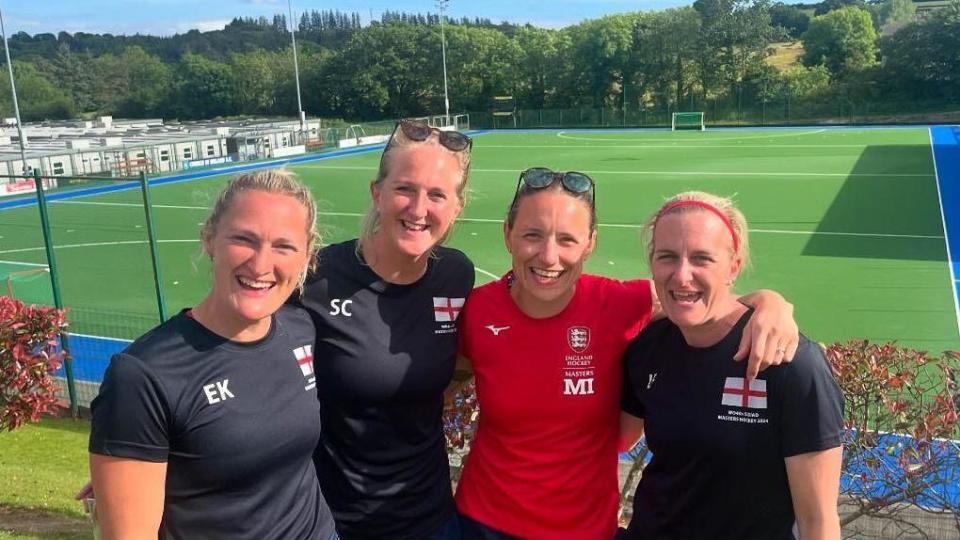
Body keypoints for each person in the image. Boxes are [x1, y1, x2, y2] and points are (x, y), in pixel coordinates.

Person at [453, 168, 801, 539]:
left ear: (590, 244)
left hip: (585, 531)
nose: (549, 255)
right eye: (532, 235)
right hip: (482, 523)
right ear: (507, 235)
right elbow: (442, 384)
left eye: (568, 239)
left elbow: (697, 297)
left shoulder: (621, 303)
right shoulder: (477, 311)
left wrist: (769, 302)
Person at [88, 170, 337, 540]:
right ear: (209, 239)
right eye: (243, 239)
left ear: (306, 256)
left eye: (283, 246)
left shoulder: (301, 328)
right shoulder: (143, 374)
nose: (260, 265)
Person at [619, 192, 844, 539]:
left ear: (733, 267)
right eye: (667, 257)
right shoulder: (648, 347)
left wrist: (772, 301)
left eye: (701, 259)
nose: (682, 275)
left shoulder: (790, 364)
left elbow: (818, 522)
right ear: (652, 261)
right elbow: (614, 438)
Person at [293, 120, 475, 539]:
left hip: (432, 519)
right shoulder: (314, 280)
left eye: (436, 195)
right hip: (335, 524)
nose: (418, 209)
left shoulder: (455, 275)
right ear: (377, 193)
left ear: (456, 208)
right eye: (405, 189)